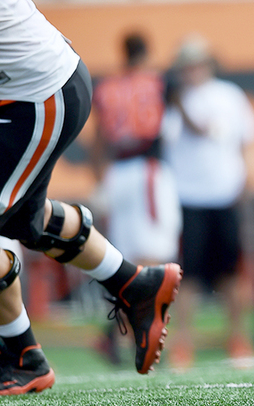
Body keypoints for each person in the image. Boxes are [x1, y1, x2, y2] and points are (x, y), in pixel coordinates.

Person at [0, 0, 182, 398]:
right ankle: (136, 285)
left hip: (32, 97)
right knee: (20, 221)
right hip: (14, 96)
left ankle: (21, 356)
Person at [161, 35, 254, 368]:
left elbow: (248, 139)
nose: (191, 72)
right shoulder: (174, 104)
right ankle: (182, 344)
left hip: (224, 194)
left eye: (196, 64)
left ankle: (238, 338)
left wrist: (248, 177)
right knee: (188, 276)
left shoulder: (228, 96)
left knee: (231, 273)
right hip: (189, 198)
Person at [90, 32, 182, 364]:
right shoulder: (158, 82)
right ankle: (143, 334)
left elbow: (99, 139)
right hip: (148, 172)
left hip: (118, 173)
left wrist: (100, 180)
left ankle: (119, 334)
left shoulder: (107, 87)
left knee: (124, 259)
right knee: (155, 258)